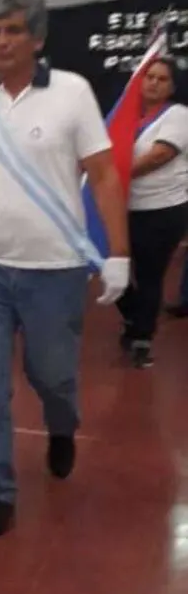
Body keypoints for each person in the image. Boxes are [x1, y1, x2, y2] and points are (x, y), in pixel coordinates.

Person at [0, 0, 129, 540]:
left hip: (55, 269)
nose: (1, 42)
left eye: (13, 31)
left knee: (52, 375)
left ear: (38, 38)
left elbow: (105, 175)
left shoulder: (73, 93)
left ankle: (61, 425)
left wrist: (118, 253)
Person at [116, 56, 188, 368]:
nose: (153, 83)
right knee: (110, 267)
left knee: (149, 275)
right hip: (121, 208)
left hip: (161, 211)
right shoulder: (125, 116)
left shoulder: (178, 115)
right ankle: (135, 316)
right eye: (149, 77)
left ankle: (142, 339)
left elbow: (160, 155)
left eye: (161, 78)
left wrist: (114, 176)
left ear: (172, 86)